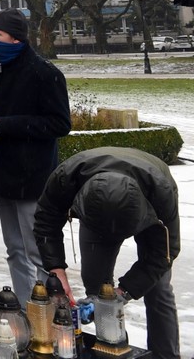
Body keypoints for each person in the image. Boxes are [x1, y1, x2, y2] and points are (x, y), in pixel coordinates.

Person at [33, 147, 180, 359]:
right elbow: (45, 223)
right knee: (97, 289)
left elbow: (163, 254)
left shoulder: (161, 191)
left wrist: (124, 292)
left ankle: (165, 355)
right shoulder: (66, 178)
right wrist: (56, 271)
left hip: (150, 206)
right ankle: (113, 351)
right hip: (97, 208)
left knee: (158, 289)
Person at [0, 8, 70, 306]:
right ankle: (26, 313)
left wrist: (1, 125)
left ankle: (51, 316)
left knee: (37, 252)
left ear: (16, 38)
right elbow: (5, 111)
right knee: (14, 249)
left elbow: (59, 123)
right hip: (3, 174)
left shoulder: (45, 73)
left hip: (32, 177)